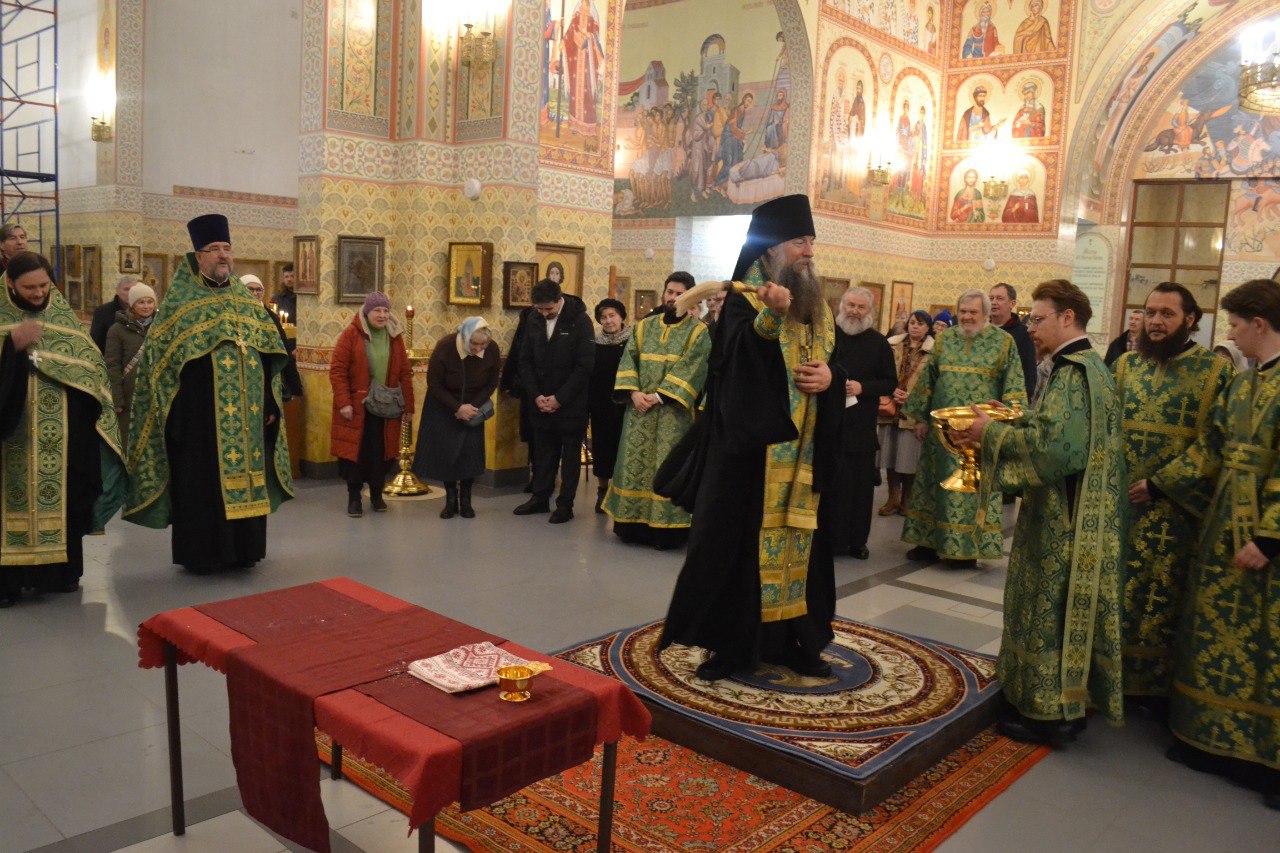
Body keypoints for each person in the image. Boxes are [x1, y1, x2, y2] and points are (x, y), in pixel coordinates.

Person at [661, 194, 846, 681]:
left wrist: (831, 377)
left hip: (803, 455)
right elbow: (732, 365)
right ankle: (733, 647)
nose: (807, 250)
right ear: (768, 250)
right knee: (739, 552)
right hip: (755, 458)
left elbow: (833, 360)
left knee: (802, 548)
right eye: (797, 241)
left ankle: (795, 642)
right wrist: (769, 317)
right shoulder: (744, 300)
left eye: (810, 241)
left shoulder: (818, 305)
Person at [954, 279, 1126, 745]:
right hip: (1066, 511)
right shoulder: (1083, 366)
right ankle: (1039, 698)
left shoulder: (1074, 371)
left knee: (1049, 610)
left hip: (1065, 520)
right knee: (1041, 605)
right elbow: (1057, 429)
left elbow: (1056, 451)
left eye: (1039, 318)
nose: (1030, 328)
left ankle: (1049, 715)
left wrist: (990, 434)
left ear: (1068, 318)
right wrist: (1011, 418)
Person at [1143, 279, 1280, 809]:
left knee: (1265, 644)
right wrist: (1159, 484)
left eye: (1237, 325)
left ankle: (1267, 760)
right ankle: (1214, 743)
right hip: (1222, 522)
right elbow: (1212, 447)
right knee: (1215, 630)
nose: (1232, 334)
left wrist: (1270, 537)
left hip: (1263, 534)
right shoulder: (1245, 384)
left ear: (1260, 325)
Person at [124, 214, 293, 574]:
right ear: (197, 256)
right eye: (214, 249)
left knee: (247, 479)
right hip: (198, 420)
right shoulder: (179, 303)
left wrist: (268, 402)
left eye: (227, 249)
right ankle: (203, 556)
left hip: (246, 417)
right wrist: (182, 416)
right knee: (203, 486)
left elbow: (267, 355)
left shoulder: (245, 302)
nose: (223, 256)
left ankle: (245, 551)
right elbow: (160, 365)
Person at [1112, 283, 1233, 708]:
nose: (1156, 322)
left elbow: (1217, 443)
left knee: (1164, 597)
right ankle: (1114, 678)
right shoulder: (1126, 366)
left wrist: (1163, 483)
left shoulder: (1216, 373)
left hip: (1176, 511)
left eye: (1167, 314)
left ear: (1190, 320)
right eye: (1150, 313)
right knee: (1118, 592)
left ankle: (1158, 691)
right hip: (1122, 505)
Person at [0, 252, 127, 607]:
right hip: (13, 436)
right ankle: (9, 582)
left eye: (44, 285)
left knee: (67, 498)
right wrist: (9, 348)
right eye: (29, 288)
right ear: (10, 283)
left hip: (63, 436)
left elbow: (89, 364)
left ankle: (57, 575)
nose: (39, 293)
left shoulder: (61, 318)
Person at [901, 290, 1028, 566]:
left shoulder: (1003, 342)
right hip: (941, 431)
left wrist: (1009, 424)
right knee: (932, 485)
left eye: (973, 312)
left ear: (985, 314)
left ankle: (964, 550)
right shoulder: (945, 339)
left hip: (978, 434)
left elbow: (1014, 384)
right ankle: (927, 543)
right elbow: (928, 379)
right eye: (963, 311)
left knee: (970, 490)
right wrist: (920, 418)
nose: (968, 317)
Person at [603, 272, 710, 549]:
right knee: (634, 467)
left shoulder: (698, 332)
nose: (672, 298)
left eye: (678, 293)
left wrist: (660, 397)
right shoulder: (643, 327)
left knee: (667, 466)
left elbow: (694, 368)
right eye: (669, 292)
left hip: (672, 415)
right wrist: (635, 393)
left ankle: (667, 531)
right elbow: (629, 361)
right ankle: (632, 526)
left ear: (690, 297)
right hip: (638, 411)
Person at [514, 277, 594, 523]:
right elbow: (524, 360)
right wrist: (536, 395)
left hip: (570, 404)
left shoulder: (580, 320)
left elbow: (585, 366)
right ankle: (540, 498)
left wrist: (559, 398)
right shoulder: (533, 319)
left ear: (559, 301)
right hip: (540, 402)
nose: (544, 313)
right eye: (540, 309)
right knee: (543, 454)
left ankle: (565, 505)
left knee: (570, 457)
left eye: (548, 309)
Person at [825, 287, 897, 559]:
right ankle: (828, 540)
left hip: (860, 428)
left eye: (860, 307)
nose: (854, 311)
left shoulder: (878, 343)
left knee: (858, 489)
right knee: (830, 486)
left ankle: (857, 541)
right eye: (850, 305)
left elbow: (890, 381)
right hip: (830, 425)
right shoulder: (827, 336)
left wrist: (862, 387)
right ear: (841, 306)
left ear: (870, 312)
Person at [330, 293, 414, 518]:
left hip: (386, 406)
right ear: (367, 312)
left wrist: (409, 407)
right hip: (357, 407)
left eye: (386, 311)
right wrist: (344, 403)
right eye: (378, 311)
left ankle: (377, 495)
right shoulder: (351, 335)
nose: (383, 315)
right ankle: (354, 498)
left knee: (382, 453)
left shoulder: (395, 337)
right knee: (356, 454)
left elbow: (405, 373)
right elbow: (338, 371)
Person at [416, 317, 500, 519]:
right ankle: (450, 501)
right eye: (474, 344)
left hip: (472, 407)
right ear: (464, 337)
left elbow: (491, 382)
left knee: (469, 455)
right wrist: (457, 407)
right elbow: (434, 384)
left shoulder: (492, 349)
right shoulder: (445, 347)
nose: (478, 348)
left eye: (482, 345)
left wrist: (472, 407)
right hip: (443, 405)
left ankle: (467, 500)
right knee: (448, 454)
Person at [878, 310, 934, 516]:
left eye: (920, 324)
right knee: (891, 456)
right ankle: (892, 498)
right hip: (891, 406)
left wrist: (912, 396)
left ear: (928, 327)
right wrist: (891, 389)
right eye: (912, 323)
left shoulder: (933, 352)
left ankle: (907, 501)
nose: (915, 327)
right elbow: (882, 370)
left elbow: (931, 381)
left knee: (909, 459)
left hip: (913, 411)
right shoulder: (892, 345)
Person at [588, 298, 629, 513]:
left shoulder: (633, 342)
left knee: (624, 449)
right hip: (601, 405)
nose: (608, 320)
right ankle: (602, 492)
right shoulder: (595, 344)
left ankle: (623, 493)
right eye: (603, 317)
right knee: (602, 449)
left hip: (627, 405)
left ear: (622, 316)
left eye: (612, 315)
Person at [104, 282, 157, 447]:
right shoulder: (117, 330)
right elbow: (112, 365)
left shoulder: (161, 327)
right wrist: (117, 399)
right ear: (132, 304)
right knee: (131, 441)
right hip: (129, 396)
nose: (146, 306)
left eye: (150, 301)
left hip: (156, 393)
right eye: (141, 302)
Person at [243, 274, 302, 400]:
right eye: (250, 289)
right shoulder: (234, 315)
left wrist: (295, 387)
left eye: (258, 289)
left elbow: (284, 350)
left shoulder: (271, 316)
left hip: (268, 370)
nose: (255, 293)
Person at [500, 305, 539, 491]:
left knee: (547, 439)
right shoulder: (529, 318)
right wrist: (509, 384)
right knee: (532, 436)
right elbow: (517, 352)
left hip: (553, 393)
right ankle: (537, 476)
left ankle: (543, 476)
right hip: (530, 391)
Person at [989, 282, 1037, 398]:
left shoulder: (1024, 334)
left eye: (999, 298)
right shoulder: (981, 331)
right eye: (991, 298)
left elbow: (1029, 373)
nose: (993, 302)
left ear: (1012, 303)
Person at [90, 275, 139, 351]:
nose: (130, 293)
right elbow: (96, 341)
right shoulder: (103, 312)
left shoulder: (143, 311)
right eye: (126, 289)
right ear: (117, 291)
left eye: (133, 289)